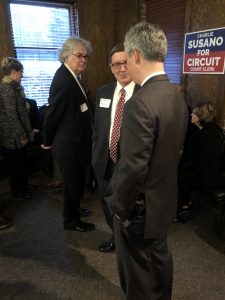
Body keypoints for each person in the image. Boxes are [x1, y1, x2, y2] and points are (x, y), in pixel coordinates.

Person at [105, 22, 188, 299]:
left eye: (127, 57)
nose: (126, 64)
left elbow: (132, 168)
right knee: (159, 264)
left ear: (137, 55)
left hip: (138, 210)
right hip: (164, 201)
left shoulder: (140, 102)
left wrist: (118, 208)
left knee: (138, 278)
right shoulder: (176, 96)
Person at [42, 37, 95, 232]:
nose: (84, 60)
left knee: (77, 182)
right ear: (66, 55)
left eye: (86, 57)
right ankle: (71, 221)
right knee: (73, 183)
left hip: (77, 142)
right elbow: (52, 113)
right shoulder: (63, 79)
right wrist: (47, 141)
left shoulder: (73, 76)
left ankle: (75, 210)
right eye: (79, 55)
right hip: (69, 144)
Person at [92, 43, 139, 252]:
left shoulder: (144, 92)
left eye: (125, 63)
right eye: (116, 64)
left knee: (129, 205)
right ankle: (115, 236)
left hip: (129, 164)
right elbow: (98, 129)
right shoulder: (103, 92)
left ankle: (130, 241)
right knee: (107, 204)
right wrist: (95, 156)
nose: (122, 69)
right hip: (104, 162)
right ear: (110, 67)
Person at [177, 102, 224, 219]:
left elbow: (202, 161)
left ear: (201, 116)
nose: (191, 114)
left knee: (177, 176)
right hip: (203, 171)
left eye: (194, 113)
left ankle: (183, 208)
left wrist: (181, 167)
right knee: (179, 172)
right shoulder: (202, 129)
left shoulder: (209, 134)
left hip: (209, 176)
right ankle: (185, 205)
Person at [0, 57, 32, 199]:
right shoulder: (7, 89)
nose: (22, 75)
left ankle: (24, 185)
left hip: (18, 133)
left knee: (22, 162)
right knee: (15, 164)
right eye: (21, 72)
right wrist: (22, 135)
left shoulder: (14, 87)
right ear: (13, 72)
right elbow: (12, 115)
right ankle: (18, 191)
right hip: (12, 136)